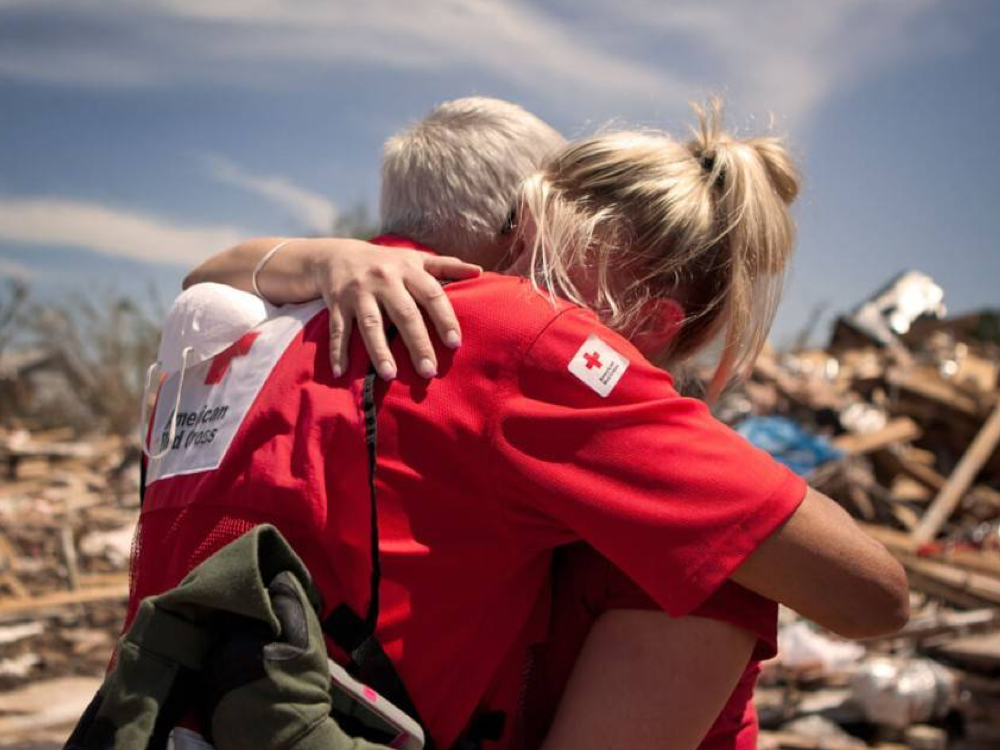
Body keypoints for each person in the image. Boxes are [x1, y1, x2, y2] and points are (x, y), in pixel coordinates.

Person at [141, 98, 907, 750]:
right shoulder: (518, 338)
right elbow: (872, 595)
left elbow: (202, 273)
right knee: (709, 568)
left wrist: (303, 255)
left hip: (154, 714)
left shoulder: (241, 315)